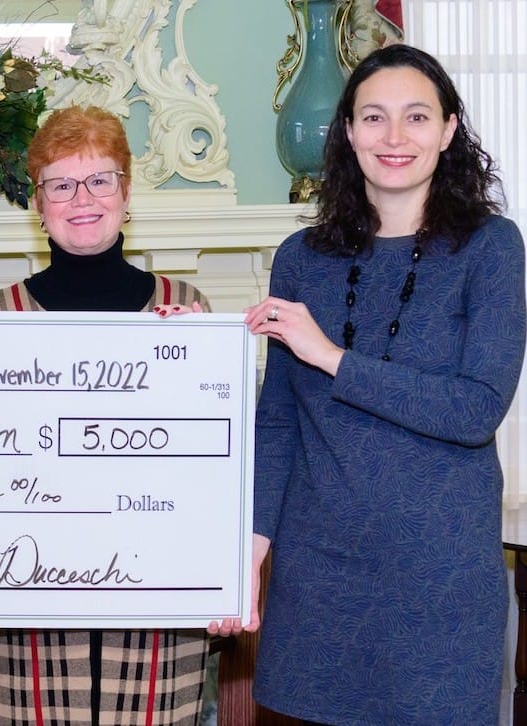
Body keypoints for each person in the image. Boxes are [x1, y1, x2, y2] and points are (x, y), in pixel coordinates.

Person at [215, 44, 525, 724]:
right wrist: (249, 555)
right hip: (317, 579)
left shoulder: (492, 248)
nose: (394, 137)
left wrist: (332, 357)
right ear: (348, 131)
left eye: (416, 117)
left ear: (448, 130)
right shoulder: (301, 259)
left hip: (439, 583)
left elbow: (475, 409)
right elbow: (278, 423)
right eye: (374, 117)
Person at [0, 105, 211, 726]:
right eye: (60, 183)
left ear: (126, 192)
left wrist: (195, 364)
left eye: (99, 179)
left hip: (156, 600)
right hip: (23, 603)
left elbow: (210, 474)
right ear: (38, 203)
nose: (80, 198)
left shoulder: (186, 308)